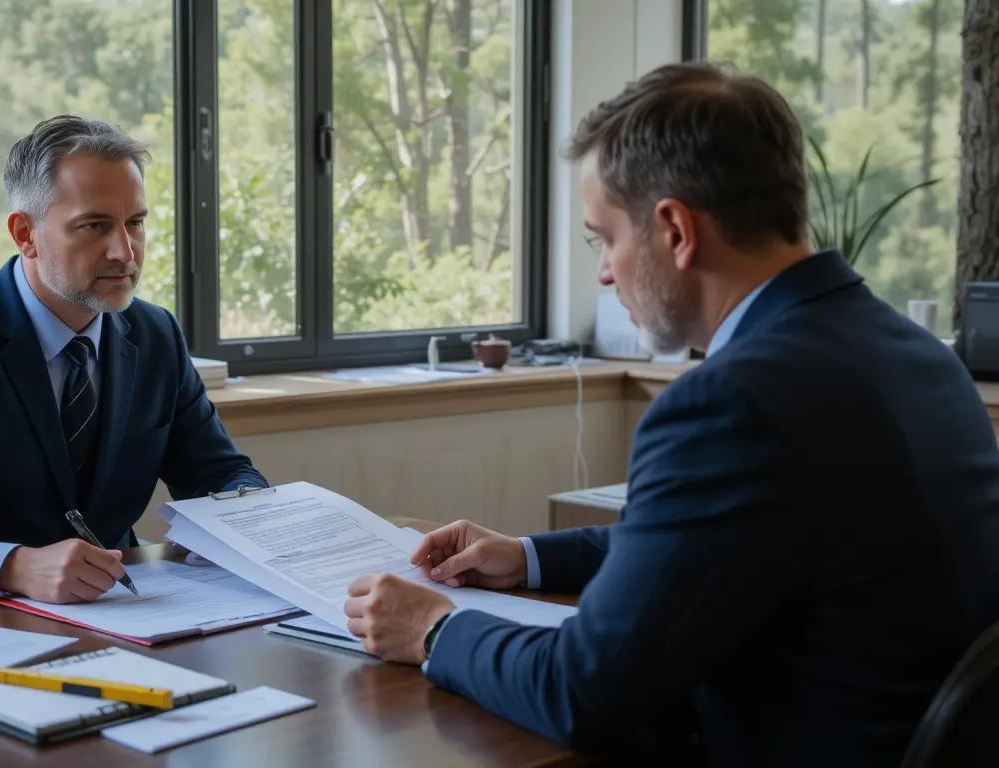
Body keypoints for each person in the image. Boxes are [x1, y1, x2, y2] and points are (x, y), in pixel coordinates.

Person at [343, 62, 999, 765]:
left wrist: (438, 629)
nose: (603, 272)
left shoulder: (731, 401)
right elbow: (725, 540)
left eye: (604, 239)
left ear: (676, 230)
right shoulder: (920, 356)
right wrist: (530, 558)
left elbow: (582, 693)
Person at [0, 116, 265, 604]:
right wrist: (14, 566)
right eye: (94, 225)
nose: (125, 252)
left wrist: (237, 522)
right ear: (25, 234)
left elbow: (223, 475)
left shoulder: (154, 334)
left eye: (135, 223)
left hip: (125, 614)